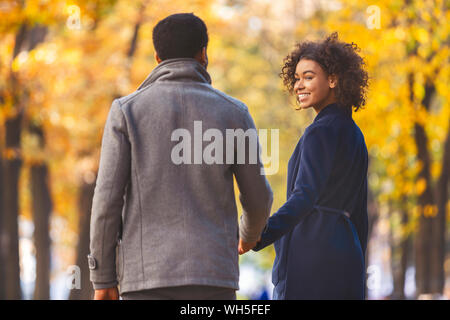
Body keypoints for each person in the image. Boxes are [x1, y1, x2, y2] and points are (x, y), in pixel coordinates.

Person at [88, 13, 273, 300]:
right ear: (203, 54)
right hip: (214, 277)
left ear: (157, 57)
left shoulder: (127, 112)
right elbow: (258, 197)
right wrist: (248, 234)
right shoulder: (235, 113)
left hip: (146, 279)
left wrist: (102, 277)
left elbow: (107, 200)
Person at [239, 32, 369, 300]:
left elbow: (304, 197)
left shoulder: (319, 132)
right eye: (297, 78)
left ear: (333, 80)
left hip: (313, 252)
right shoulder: (354, 133)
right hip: (348, 255)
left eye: (308, 77)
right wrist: (358, 259)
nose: (299, 85)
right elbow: (360, 212)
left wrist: (259, 236)